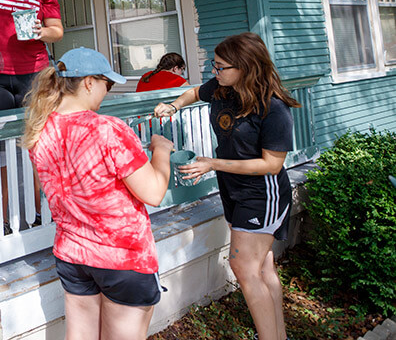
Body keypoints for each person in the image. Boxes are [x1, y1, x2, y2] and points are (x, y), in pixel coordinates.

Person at [153, 32, 299, 340]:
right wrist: (174, 105)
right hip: (233, 188)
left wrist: (212, 163)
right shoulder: (222, 89)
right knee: (262, 267)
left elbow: (271, 164)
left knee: (244, 267)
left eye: (221, 67)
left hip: (263, 194)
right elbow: (194, 93)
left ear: (245, 67)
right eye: (214, 67)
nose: (214, 73)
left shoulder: (273, 109)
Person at [24, 47, 173, 340]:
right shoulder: (107, 129)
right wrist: (162, 152)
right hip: (122, 257)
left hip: (73, 255)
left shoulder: (40, 130)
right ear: (89, 82)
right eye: (108, 83)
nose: (108, 91)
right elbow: (153, 192)